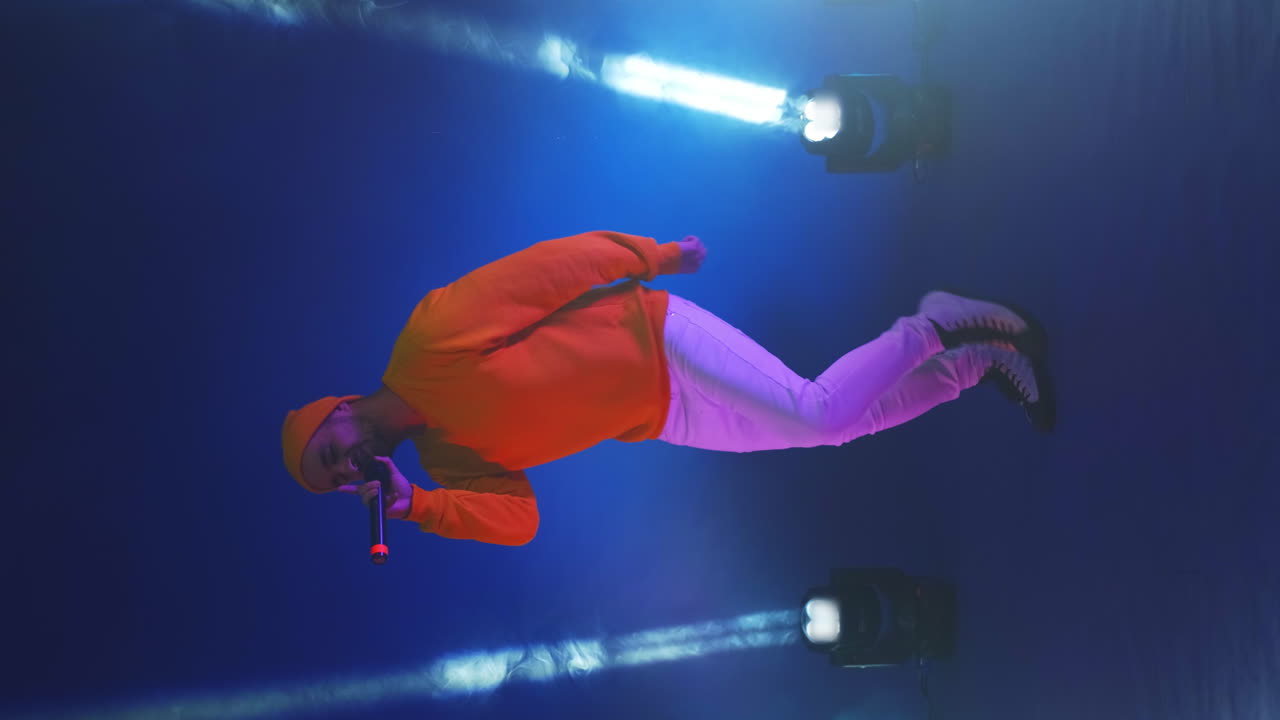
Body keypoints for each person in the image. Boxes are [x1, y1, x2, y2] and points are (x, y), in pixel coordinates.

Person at [280, 231, 1053, 546]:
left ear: (337, 411)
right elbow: (521, 522)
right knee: (838, 428)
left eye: (330, 453)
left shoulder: (423, 347)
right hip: (665, 415)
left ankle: (932, 327)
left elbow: (540, 273)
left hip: (658, 335)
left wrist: (649, 255)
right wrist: (418, 505)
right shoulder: (445, 463)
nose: (346, 470)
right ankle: (977, 364)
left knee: (820, 411)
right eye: (334, 481)